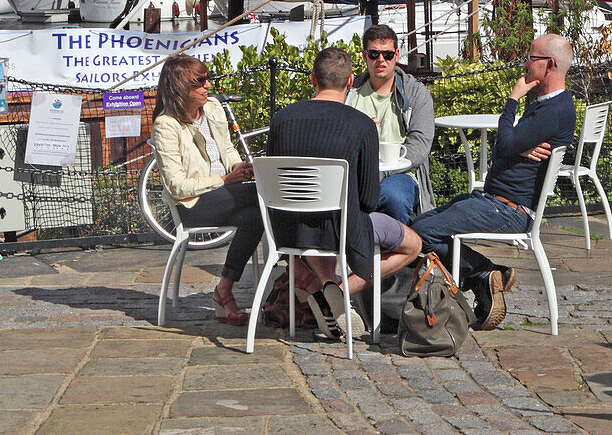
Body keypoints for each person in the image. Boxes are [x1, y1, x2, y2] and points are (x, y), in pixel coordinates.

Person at [412, 32, 577, 331]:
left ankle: (485, 272)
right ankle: (485, 276)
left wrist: (513, 99)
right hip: (496, 201)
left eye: (531, 57)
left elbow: (502, 147)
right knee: (420, 224)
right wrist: (516, 146)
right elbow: (509, 146)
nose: (525, 64)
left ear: (549, 64)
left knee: (420, 232)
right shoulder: (548, 104)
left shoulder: (553, 110)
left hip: (510, 211)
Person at [267, 46, 422, 338]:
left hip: (291, 228)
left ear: (313, 79)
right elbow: (368, 200)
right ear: (350, 82)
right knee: (413, 244)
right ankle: (337, 293)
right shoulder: (362, 126)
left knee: (320, 220)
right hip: (342, 230)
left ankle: (327, 288)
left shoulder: (282, 119)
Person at [150, 53, 262, 326]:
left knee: (258, 215)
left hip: (227, 196)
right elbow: (176, 187)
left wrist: (241, 168)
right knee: (267, 193)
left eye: (207, 79)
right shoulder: (166, 125)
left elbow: (226, 149)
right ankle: (300, 285)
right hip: (193, 205)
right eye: (200, 81)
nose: (207, 86)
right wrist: (224, 180)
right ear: (180, 87)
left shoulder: (212, 108)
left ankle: (223, 292)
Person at [347, 24, 436, 224]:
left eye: (387, 55)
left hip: (402, 174)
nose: (381, 60)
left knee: (392, 196)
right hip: (355, 174)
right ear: (364, 56)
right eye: (374, 54)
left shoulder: (416, 94)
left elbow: (420, 146)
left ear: (396, 55)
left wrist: (382, 172)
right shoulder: (350, 93)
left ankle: (400, 250)